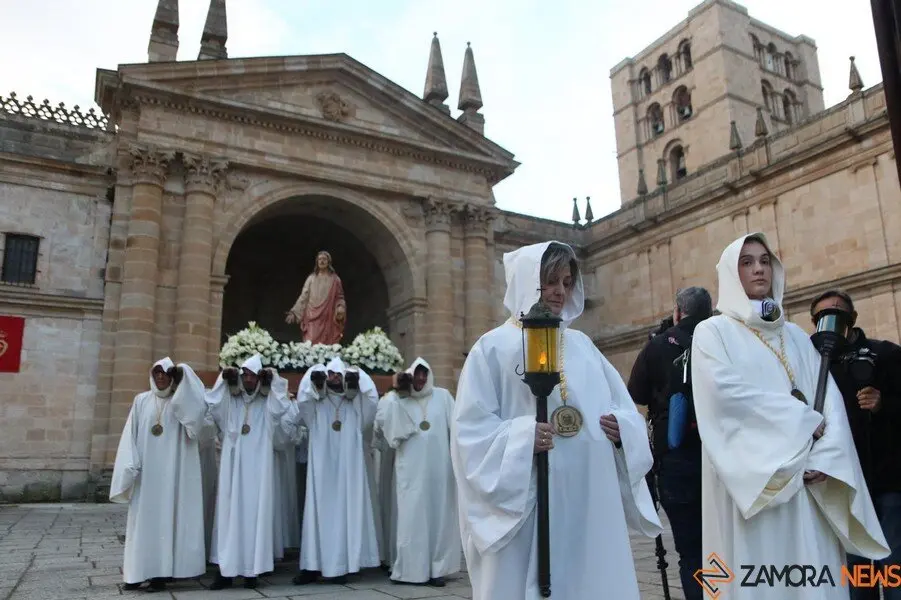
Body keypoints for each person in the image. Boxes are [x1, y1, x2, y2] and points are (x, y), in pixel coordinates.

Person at [450, 240, 662, 600]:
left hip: (588, 498)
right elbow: (471, 432)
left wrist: (622, 430)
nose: (560, 292)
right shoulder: (493, 348)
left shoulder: (583, 347)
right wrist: (521, 439)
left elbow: (626, 410)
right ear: (526, 282)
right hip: (528, 500)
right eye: (550, 281)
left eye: (566, 282)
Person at [690, 232, 889, 599]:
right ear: (732, 274)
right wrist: (803, 426)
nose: (759, 269)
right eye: (747, 262)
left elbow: (828, 400)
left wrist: (826, 460)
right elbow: (725, 399)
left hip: (808, 483)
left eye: (765, 260)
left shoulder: (796, 336)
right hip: (756, 481)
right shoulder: (712, 332)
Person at [809, 289, 901, 600]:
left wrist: (882, 405)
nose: (831, 321)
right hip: (844, 485)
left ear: (853, 318)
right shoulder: (814, 368)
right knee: (857, 575)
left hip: (888, 482)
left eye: (838, 313)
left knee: (893, 569)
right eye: (822, 316)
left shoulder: (885, 354)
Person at [628, 286, 712, 600]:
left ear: (678, 312)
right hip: (723, 459)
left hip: (677, 461)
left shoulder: (658, 346)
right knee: (726, 542)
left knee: (691, 552)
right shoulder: (725, 339)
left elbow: (635, 394)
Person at [110, 357, 211, 593]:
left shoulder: (182, 404)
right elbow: (130, 436)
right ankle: (136, 573)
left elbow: (197, 424)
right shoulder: (141, 401)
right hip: (146, 477)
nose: (160, 377)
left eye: (165, 373)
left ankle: (159, 575)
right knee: (141, 524)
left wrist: (183, 380)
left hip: (172, 478)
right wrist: (129, 467)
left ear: (173, 377)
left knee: (167, 521)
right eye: (156, 373)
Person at [289, 357, 381, 585]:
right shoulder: (316, 404)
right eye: (330, 375)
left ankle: (345, 564)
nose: (334, 379)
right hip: (322, 470)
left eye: (339, 375)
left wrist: (356, 376)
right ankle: (312, 566)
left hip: (348, 470)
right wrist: (316, 378)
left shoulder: (356, 405)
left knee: (346, 511)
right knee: (317, 513)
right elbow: (303, 399)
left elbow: (371, 398)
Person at [206, 354, 293, 590]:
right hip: (232, 470)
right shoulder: (231, 400)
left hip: (257, 471)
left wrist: (271, 380)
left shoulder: (266, 404)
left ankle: (251, 571)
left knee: (255, 516)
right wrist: (225, 380)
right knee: (227, 517)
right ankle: (225, 570)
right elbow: (213, 404)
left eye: (254, 376)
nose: (249, 380)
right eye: (245, 375)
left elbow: (281, 405)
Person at [375, 357, 461, 587]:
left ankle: (436, 569)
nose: (421, 379)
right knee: (412, 518)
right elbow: (390, 432)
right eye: (417, 374)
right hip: (410, 471)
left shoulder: (442, 397)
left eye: (425, 374)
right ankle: (409, 570)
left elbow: (457, 428)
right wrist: (398, 395)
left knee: (438, 518)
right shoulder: (397, 399)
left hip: (439, 470)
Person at [285, 250, 347, 345]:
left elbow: (340, 297)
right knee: (311, 341)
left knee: (326, 345)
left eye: (324, 259)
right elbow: (303, 297)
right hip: (311, 316)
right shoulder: (311, 279)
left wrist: (340, 307)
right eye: (319, 259)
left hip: (327, 317)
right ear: (317, 262)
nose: (322, 261)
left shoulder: (335, 280)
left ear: (328, 262)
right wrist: (294, 313)